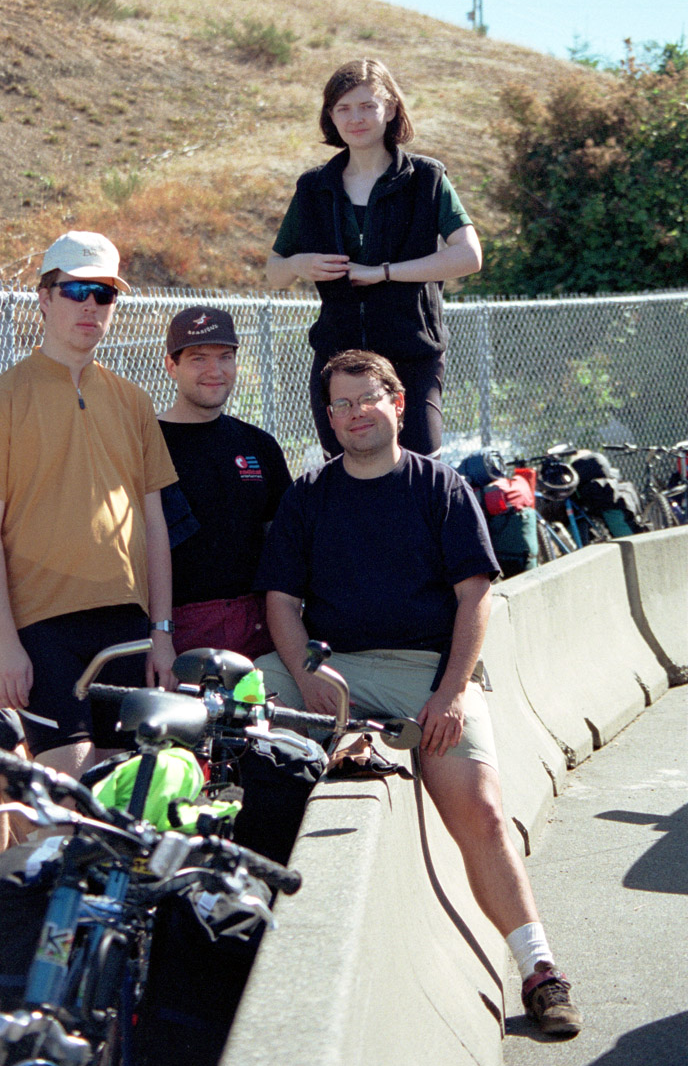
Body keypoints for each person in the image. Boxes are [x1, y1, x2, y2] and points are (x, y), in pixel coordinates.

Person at [255, 349, 582, 1036]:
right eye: (341, 405)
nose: (354, 415)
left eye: (367, 399)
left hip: (426, 671)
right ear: (329, 417)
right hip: (332, 666)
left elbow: (475, 597)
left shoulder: (441, 489)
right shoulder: (308, 495)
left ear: (398, 404)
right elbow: (281, 601)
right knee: (245, 688)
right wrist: (306, 675)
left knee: (482, 812)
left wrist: (452, 693)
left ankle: (539, 969)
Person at [0, 231, 178, 780]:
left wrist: (162, 632)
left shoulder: (133, 400)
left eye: (104, 293)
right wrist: (5, 644)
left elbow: (154, 523)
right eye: (76, 290)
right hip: (41, 628)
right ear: (44, 298)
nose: (90, 305)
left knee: (126, 793)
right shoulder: (7, 397)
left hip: (127, 625)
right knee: (64, 794)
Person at [266, 57, 482, 461]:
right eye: (343, 108)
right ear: (330, 116)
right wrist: (299, 265)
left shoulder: (427, 178)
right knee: (345, 477)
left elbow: (469, 256)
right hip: (338, 363)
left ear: (392, 108)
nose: (356, 118)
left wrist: (384, 272)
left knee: (419, 474)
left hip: (412, 357)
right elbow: (274, 271)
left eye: (368, 106)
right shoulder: (313, 187)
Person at [158, 305, 291, 660]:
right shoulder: (146, 443)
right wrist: (160, 633)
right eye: (198, 358)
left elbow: (284, 545)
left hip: (259, 628)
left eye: (225, 357)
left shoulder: (259, 444)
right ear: (171, 365)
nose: (214, 371)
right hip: (176, 631)